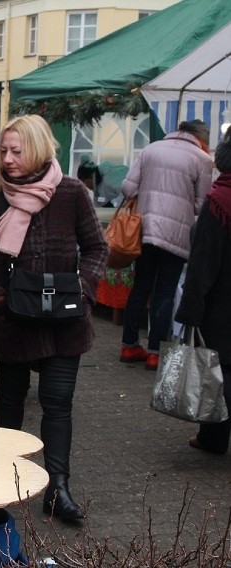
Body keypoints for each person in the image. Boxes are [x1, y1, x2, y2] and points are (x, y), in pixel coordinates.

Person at [0, 114, 107, 522]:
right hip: (13, 322)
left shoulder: (72, 193)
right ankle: (9, 481)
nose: (8, 159)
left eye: (17, 150)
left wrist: (82, 291)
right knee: (9, 402)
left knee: (57, 405)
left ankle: (58, 488)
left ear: (40, 148)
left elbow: (97, 248)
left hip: (65, 325)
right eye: (3, 151)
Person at [118, 120, 212, 371]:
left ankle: (128, 345)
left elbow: (128, 188)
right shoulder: (201, 159)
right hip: (175, 234)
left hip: (145, 230)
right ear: (200, 138)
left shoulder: (151, 149)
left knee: (141, 287)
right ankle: (155, 353)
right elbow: (202, 205)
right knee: (166, 291)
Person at [174, 128, 231, 455]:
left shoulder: (219, 202)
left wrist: (191, 310)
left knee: (220, 373)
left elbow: (203, 263)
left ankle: (213, 437)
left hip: (222, 305)